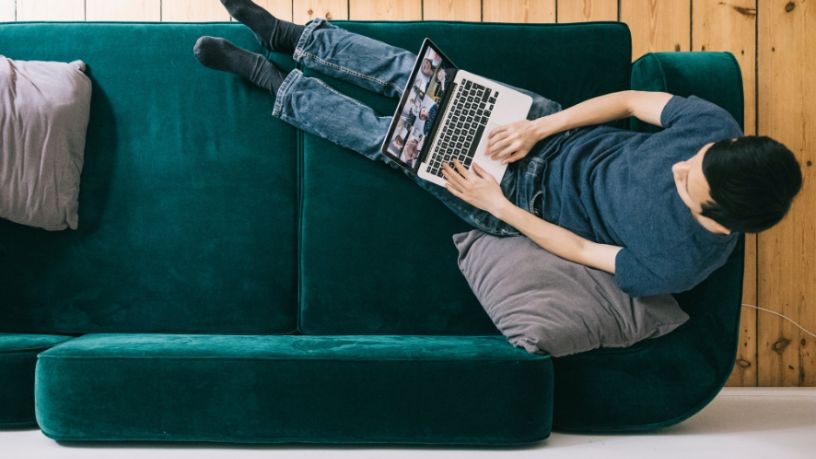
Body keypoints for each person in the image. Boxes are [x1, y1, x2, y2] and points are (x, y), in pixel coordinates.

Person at [194, 0, 803, 297]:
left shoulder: (680, 264)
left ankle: (275, 83)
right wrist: (539, 127)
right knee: (417, 76)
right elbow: (627, 103)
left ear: (716, 217)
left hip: (516, 199)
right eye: (694, 155)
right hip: (542, 128)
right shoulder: (713, 131)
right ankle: (290, 36)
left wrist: (499, 206)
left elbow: (585, 249)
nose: (679, 162)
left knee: (392, 139)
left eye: (686, 182)